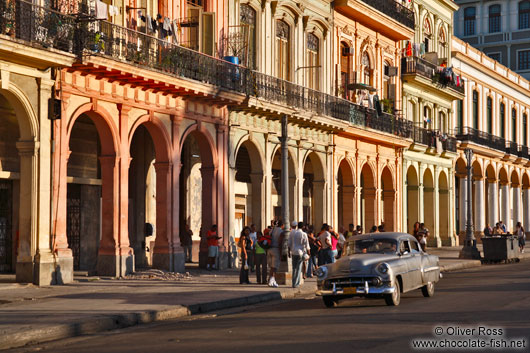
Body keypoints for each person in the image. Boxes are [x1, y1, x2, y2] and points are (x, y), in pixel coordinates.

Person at [288, 221, 309, 288]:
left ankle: (293, 282)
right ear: (303, 227)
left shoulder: (293, 233)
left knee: (294, 268)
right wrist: (308, 252)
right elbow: (306, 244)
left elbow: (289, 243)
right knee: (298, 269)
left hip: (294, 252)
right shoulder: (304, 234)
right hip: (300, 252)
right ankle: (296, 284)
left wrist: (289, 251)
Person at [267, 220, 285, 287]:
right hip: (276, 249)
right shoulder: (281, 232)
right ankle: (271, 281)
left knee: (271, 266)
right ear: (282, 225)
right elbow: (280, 243)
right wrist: (280, 254)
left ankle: (272, 280)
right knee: (274, 267)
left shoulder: (273, 230)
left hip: (269, 249)